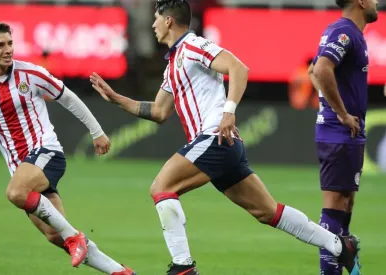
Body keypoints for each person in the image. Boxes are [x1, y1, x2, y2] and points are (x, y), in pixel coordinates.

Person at [90, 0, 361, 274]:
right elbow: (159, 111)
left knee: (161, 187)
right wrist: (116, 99)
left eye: (156, 19)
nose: (152, 25)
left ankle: (183, 267)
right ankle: (340, 246)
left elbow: (239, 68)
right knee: (267, 211)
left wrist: (228, 112)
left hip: (214, 137)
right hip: (223, 144)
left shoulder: (194, 45)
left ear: (169, 20)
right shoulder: (173, 63)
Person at [0, 21, 135, 275]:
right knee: (55, 234)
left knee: (15, 193)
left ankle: (75, 238)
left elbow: (68, 98)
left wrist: (97, 132)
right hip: (21, 168)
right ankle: (120, 272)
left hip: (46, 153)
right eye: (1, 45)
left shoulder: (31, 74)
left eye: (10, 43)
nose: (8, 49)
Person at [309, 0, 378, 274]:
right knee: (335, 206)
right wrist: (340, 113)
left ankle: (343, 265)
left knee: (345, 204)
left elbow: (315, 70)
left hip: (347, 135)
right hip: (339, 134)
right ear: (361, 1)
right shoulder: (344, 31)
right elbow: (321, 69)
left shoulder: (348, 32)